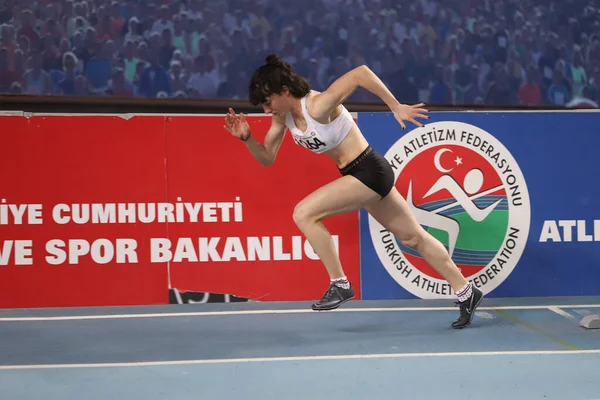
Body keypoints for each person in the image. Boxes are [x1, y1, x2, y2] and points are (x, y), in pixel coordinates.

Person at [223, 54, 483, 329]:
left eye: (268, 102)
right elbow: (266, 157)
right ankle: (467, 292)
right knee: (413, 237)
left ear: (285, 91)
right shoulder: (282, 118)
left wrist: (395, 106)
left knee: (303, 213)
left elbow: (361, 73)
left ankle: (340, 283)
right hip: (358, 177)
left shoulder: (318, 105)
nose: (266, 110)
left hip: (369, 171)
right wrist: (247, 139)